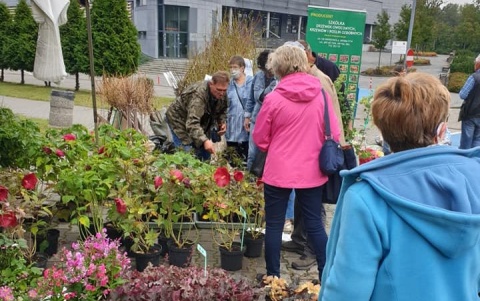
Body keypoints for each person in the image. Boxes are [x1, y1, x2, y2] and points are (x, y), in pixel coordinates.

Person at [320, 72, 480, 301]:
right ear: (442, 131)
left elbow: (346, 292)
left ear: (382, 132)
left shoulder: (366, 198)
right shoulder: (474, 178)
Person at [253, 44, 341, 281]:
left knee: (273, 225)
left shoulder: (273, 99)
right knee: (314, 224)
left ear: (278, 67)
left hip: (278, 171)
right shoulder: (320, 94)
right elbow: (334, 132)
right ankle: (326, 276)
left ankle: (273, 278)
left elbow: (260, 139)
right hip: (312, 171)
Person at [281, 40, 348, 271]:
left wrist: (335, 147)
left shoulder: (318, 79)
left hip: (319, 154)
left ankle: (313, 251)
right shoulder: (306, 78)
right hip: (309, 153)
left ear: (306, 57)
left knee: (314, 205)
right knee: (302, 200)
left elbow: (332, 119)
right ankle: (299, 240)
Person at [166, 71, 229, 161]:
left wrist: (221, 122)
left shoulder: (222, 93)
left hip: (201, 121)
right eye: (219, 90)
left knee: (205, 154)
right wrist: (204, 140)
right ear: (211, 84)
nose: (222, 93)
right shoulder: (198, 95)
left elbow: (223, 109)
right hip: (179, 120)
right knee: (187, 155)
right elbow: (192, 123)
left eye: (224, 90)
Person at [225, 56, 253, 165]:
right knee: (232, 159)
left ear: (242, 68)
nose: (232, 70)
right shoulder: (229, 85)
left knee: (245, 158)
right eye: (230, 67)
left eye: (235, 67)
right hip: (231, 128)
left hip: (245, 127)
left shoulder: (251, 82)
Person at [459, 54, 480, 149]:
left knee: (466, 141)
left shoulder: (474, 77)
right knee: (477, 141)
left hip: (470, 113)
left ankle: (464, 160)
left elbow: (462, 94)